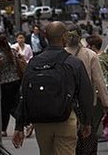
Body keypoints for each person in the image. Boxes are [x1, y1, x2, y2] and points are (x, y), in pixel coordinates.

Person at [12, 22, 94, 154]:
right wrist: (87, 121)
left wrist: (19, 125)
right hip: (66, 118)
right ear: (64, 37)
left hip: (41, 121)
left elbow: (24, 94)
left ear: (45, 37)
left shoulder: (34, 62)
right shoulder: (73, 63)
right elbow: (85, 94)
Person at [65, 23, 108, 155]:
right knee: (89, 134)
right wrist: (106, 102)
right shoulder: (90, 55)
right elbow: (99, 81)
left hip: (66, 102)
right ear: (80, 37)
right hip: (88, 102)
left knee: (69, 136)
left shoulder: (61, 55)